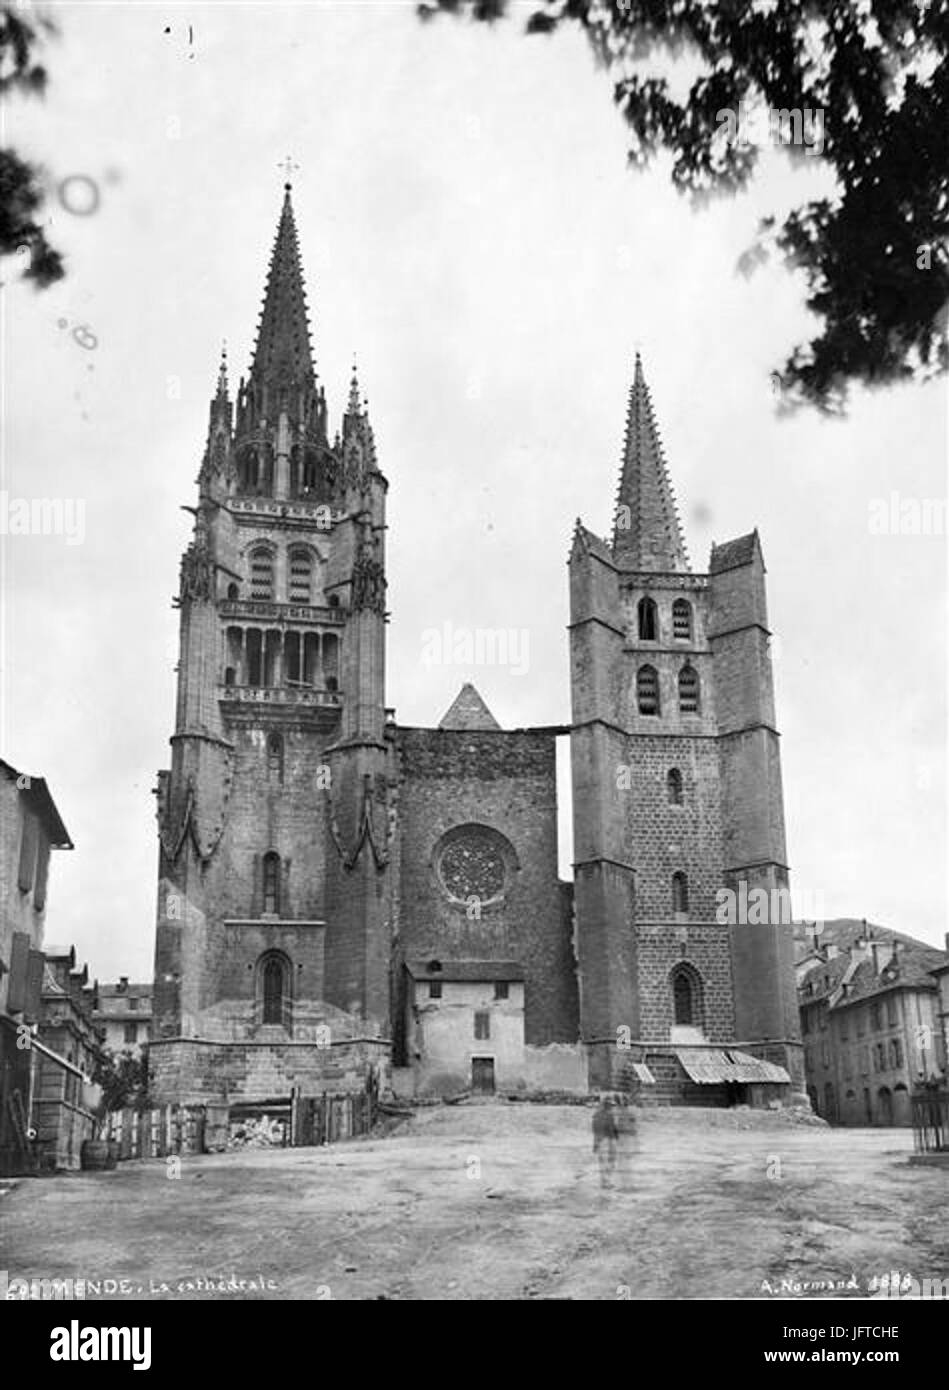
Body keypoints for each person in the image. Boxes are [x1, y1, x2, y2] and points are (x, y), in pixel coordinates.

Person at [592, 1093, 619, 1189]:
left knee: (602, 1163)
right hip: (608, 1140)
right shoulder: (610, 1115)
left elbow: (594, 1130)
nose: (611, 1107)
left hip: (599, 1140)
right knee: (611, 1162)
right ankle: (607, 1182)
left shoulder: (596, 1115)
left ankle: (604, 1182)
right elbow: (613, 1130)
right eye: (610, 1105)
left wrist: (594, 1144)